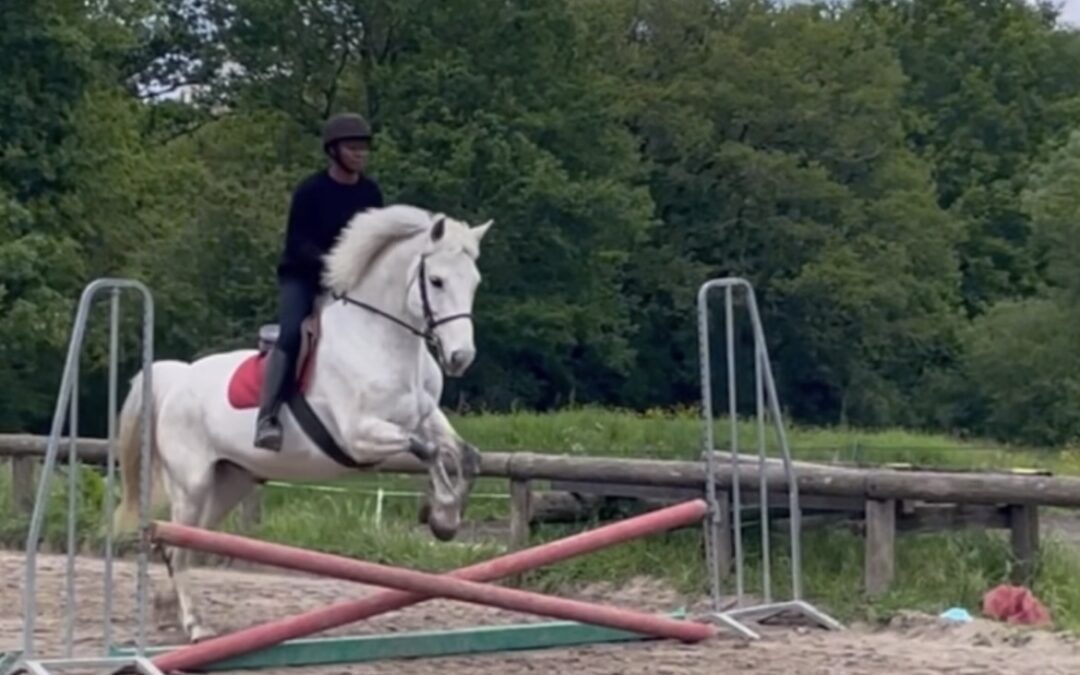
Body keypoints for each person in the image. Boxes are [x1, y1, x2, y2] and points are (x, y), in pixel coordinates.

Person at [254, 112, 385, 451]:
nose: (360, 154)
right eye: (353, 147)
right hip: (305, 277)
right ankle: (268, 417)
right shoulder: (310, 192)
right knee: (292, 333)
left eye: (364, 148)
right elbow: (297, 244)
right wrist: (333, 265)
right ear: (333, 151)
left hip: (353, 283)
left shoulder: (371, 193)